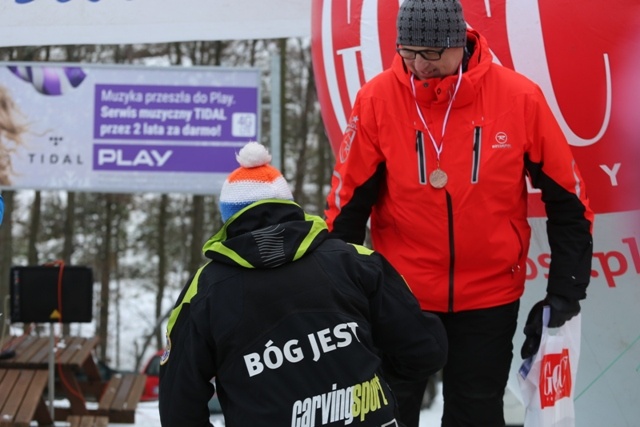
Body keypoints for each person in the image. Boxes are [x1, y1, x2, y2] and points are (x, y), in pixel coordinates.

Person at [323, 1, 594, 426]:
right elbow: (347, 208)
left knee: (477, 411)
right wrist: (341, 296)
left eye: (430, 54)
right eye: (407, 52)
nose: (418, 65)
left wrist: (566, 291)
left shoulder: (518, 97)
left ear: (460, 43)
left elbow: (568, 201)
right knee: (387, 412)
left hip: (489, 296)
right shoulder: (376, 99)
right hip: (401, 296)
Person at [158, 141, 448, 426]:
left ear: (229, 220)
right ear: (289, 206)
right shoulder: (355, 262)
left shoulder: (205, 292)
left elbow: (178, 407)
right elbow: (425, 349)